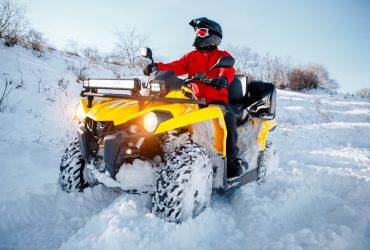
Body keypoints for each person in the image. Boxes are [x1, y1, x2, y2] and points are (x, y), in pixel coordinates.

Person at [143, 17, 247, 178]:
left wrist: (223, 78)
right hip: (193, 99)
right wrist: (157, 67)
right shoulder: (191, 56)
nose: (198, 35)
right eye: (197, 32)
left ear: (213, 36)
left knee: (228, 118)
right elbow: (175, 67)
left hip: (215, 100)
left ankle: (232, 160)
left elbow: (228, 70)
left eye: (202, 32)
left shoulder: (222, 55)